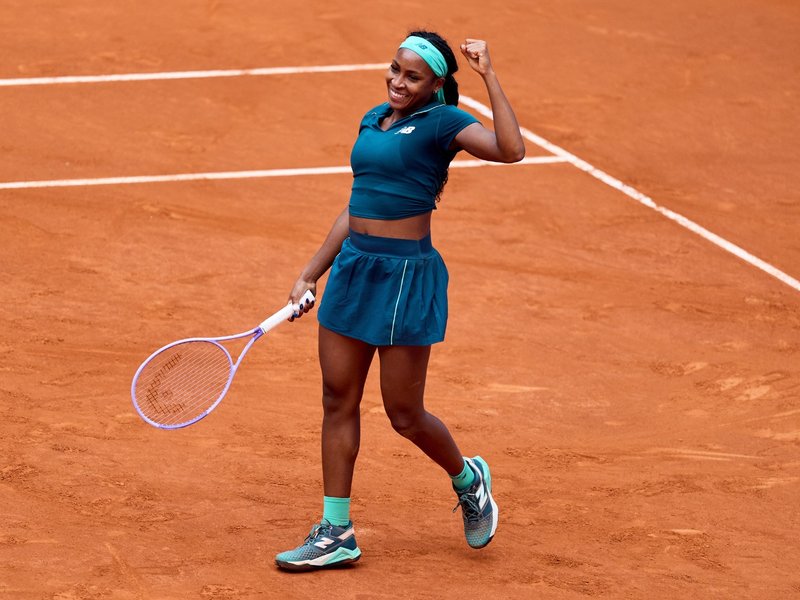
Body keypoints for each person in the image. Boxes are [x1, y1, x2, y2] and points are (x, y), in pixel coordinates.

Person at [275, 31, 525, 571]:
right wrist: (310, 272)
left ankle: (468, 479)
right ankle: (336, 531)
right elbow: (356, 206)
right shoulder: (373, 120)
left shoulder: (444, 123)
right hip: (353, 270)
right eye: (395, 69)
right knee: (336, 398)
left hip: (405, 278)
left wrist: (488, 75)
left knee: (404, 414)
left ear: (435, 84)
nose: (398, 81)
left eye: (413, 77)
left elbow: (511, 150)